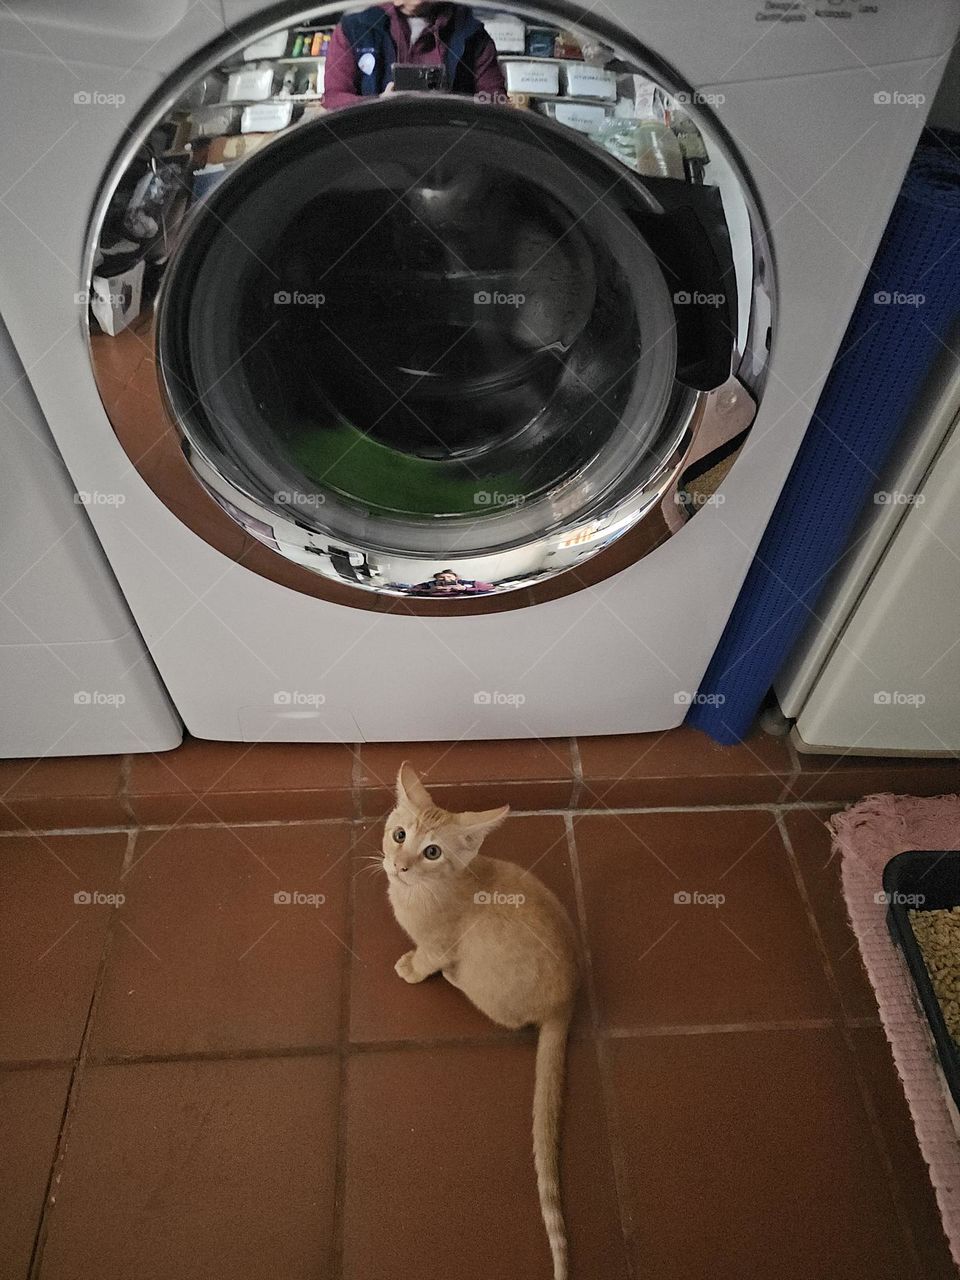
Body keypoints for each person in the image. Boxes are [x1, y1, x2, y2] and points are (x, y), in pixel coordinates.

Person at [323, 1, 506, 110]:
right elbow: (333, 99)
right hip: (374, 147)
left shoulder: (472, 33)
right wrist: (379, 105)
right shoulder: (353, 29)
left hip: (451, 147)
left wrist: (454, 106)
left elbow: (495, 100)